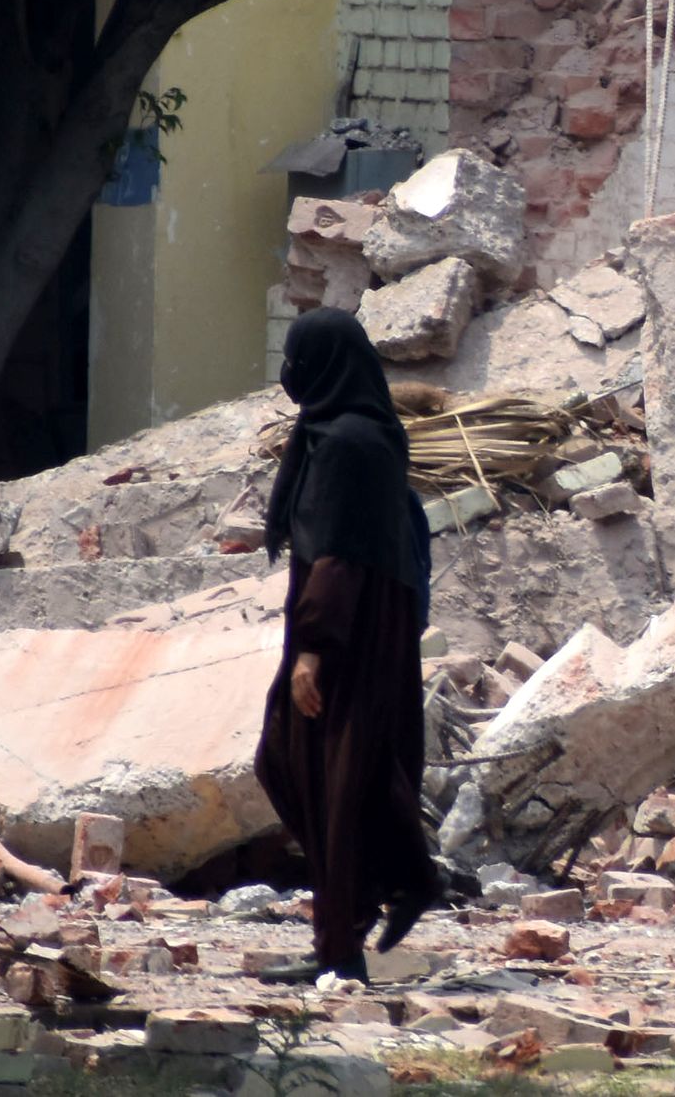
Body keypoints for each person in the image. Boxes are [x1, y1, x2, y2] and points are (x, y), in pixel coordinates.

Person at [255, 307, 437, 984]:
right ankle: (378, 902)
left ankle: (351, 940)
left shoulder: (348, 444)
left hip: (348, 635)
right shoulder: (347, 432)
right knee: (327, 775)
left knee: (331, 778)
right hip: (367, 627)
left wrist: (313, 648)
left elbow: (336, 556)